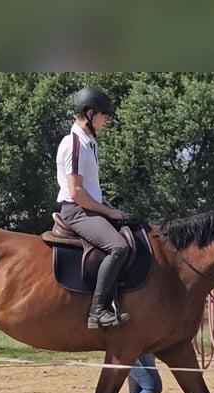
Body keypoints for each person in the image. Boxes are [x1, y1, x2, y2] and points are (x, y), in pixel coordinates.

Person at [56, 86, 130, 329]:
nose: (106, 119)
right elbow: (76, 191)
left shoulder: (89, 143)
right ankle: (98, 310)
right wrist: (108, 212)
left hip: (89, 208)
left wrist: (108, 207)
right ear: (90, 113)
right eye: (104, 115)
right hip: (77, 211)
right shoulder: (74, 143)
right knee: (118, 247)